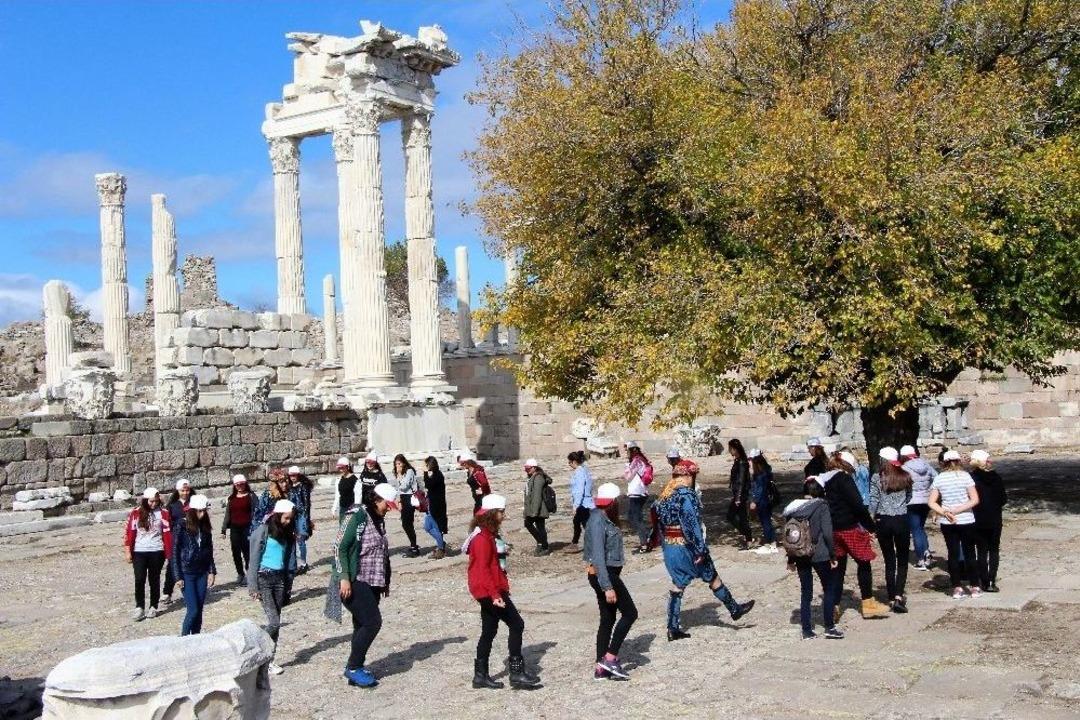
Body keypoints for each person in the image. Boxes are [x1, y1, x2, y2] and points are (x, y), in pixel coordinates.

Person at [655, 460, 754, 641]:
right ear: (688, 475)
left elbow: (658, 524)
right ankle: (734, 609)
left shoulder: (664, 495)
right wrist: (700, 549)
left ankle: (673, 627)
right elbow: (691, 524)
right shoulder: (686, 495)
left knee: (679, 584)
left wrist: (665, 543)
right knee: (711, 576)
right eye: (693, 476)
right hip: (688, 548)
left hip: (671, 547)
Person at [464, 494, 542, 690]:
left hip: (488, 590)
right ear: (491, 514)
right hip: (489, 591)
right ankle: (516, 673)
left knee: (489, 630)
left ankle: (480, 676)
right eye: (501, 512)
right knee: (517, 624)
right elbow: (483, 569)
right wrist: (496, 595)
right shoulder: (481, 539)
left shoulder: (486, 534)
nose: (504, 515)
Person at [328, 482, 398, 689]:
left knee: (361, 624)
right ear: (377, 499)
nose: (388, 508)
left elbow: (381, 551)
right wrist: (344, 577)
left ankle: (356, 667)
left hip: (373, 581)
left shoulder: (378, 518)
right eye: (387, 504)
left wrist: (385, 580)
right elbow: (340, 547)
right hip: (354, 578)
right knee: (372, 622)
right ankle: (353, 666)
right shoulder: (357, 516)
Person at [824, 451, 891, 620]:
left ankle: (834, 605)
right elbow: (858, 505)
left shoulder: (825, 479)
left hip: (833, 529)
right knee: (864, 562)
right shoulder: (844, 479)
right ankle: (868, 604)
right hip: (849, 527)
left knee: (838, 568)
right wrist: (870, 526)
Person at [585, 483, 638, 680]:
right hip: (604, 574)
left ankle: (601, 668)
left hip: (604, 573)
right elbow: (598, 556)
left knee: (607, 619)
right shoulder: (598, 521)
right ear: (613, 502)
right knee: (630, 613)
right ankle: (610, 657)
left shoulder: (603, 517)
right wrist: (607, 586)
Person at [782, 479, 842, 639]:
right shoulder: (821, 506)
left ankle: (807, 630)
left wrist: (790, 558)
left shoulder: (793, 507)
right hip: (820, 553)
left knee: (806, 591)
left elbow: (791, 536)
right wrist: (833, 554)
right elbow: (828, 533)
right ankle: (829, 626)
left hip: (801, 553)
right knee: (829, 588)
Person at [248, 499, 298, 676]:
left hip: (279, 579)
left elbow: (288, 561)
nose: (288, 521)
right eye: (285, 518)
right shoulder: (262, 531)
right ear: (277, 516)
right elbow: (253, 559)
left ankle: (269, 660)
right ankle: (256, 643)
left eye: (290, 518)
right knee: (274, 621)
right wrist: (253, 586)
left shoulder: (286, 533)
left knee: (276, 623)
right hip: (264, 578)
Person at [929, 450, 982, 599]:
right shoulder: (966, 477)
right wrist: (957, 510)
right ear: (959, 461)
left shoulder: (939, 478)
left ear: (944, 463)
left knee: (952, 553)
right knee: (970, 553)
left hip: (947, 521)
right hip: (966, 519)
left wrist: (945, 512)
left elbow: (931, 502)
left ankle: (957, 587)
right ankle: (974, 586)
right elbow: (975, 499)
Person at [869, 447, 913, 613]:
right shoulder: (905, 476)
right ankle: (899, 596)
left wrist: (870, 520)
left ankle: (890, 595)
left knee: (889, 560)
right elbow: (909, 497)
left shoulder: (877, 478)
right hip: (901, 519)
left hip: (883, 520)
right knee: (902, 559)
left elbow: (873, 501)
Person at [124, 487, 173, 622]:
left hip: (157, 550)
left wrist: (169, 553)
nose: (154, 504)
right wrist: (128, 550)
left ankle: (153, 605)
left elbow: (167, 534)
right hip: (139, 551)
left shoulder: (163, 513)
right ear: (145, 500)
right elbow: (130, 532)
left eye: (156, 501)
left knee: (154, 579)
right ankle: (139, 606)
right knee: (139, 579)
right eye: (151, 501)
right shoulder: (135, 513)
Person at [171, 494, 217, 636]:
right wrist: (178, 576)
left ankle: (196, 637)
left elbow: (208, 550)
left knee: (200, 608)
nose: (202, 514)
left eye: (204, 511)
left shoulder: (205, 527)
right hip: (187, 573)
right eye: (199, 511)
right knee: (193, 609)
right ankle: (183, 638)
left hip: (201, 571)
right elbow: (175, 552)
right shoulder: (181, 525)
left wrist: (211, 571)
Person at [969, 449, 1006, 592]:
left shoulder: (971, 478)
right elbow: (1003, 499)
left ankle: (983, 581)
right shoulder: (996, 477)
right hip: (995, 518)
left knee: (982, 550)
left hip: (978, 518)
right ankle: (991, 580)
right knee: (994, 550)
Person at [902, 444, 937, 570]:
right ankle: (926, 551)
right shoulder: (925, 464)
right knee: (921, 528)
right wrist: (930, 490)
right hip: (926, 500)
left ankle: (921, 558)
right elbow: (936, 477)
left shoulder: (904, 468)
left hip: (911, 501)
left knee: (915, 529)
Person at [161, 478, 192, 605]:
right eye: (182, 490)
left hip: (191, 538)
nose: (185, 493)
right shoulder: (172, 506)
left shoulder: (193, 503)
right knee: (172, 564)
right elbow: (169, 523)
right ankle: (167, 592)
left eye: (187, 490)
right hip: (177, 538)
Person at [221, 474, 254, 583]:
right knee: (236, 552)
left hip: (247, 527)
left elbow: (256, 512)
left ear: (245, 484)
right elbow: (227, 514)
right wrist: (223, 529)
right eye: (237, 484)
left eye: (241, 484)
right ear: (234, 486)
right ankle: (240, 573)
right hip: (235, 528)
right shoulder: (231, 498)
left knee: (247, 552)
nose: (240, 486)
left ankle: (250, 573)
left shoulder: (251, 496)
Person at [623, 442, 654, 554]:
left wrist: (627, 467)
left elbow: (627, 476)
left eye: (627, 450)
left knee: (635, 518)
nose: (626, 453)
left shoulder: (636, 461)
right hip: (640, 492)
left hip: (637, 492)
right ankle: (647, 539)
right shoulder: (641, 459)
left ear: (631, 450)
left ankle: (645, 543)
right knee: (634, 517)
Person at [391, 454, 421, 558]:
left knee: (408, 523)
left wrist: (399, 475)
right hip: (403, 498)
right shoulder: (399, 473)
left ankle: (414, 548)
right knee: (405, 523)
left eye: (399, 463)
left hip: (409, 498)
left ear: (403, 463)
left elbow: (404, 486)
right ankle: (413, 545)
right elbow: (399, 488)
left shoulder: (409, 471)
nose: (397, 466)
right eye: (396, 464)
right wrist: (398, 500)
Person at [749, 449, 779, 553]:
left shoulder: (760, 474)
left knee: (765, 521)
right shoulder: (767, 470)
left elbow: (759, 489)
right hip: (767, 499)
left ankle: (769, 542)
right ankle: (772, 542)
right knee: (767, 521)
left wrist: (754, 501)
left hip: (763, 500)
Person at [726, 439, 753, 550]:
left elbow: (741, 480)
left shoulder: (742, 462)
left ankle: (748, 536)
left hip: (741, 494)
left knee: (732, 516)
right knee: (741, 517)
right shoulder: (738, 460)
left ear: (735, 449)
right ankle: (748, 538)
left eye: (730, 448)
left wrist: (738, 497)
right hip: (739, 493)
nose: (729, 451)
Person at [522, 459, 553, 556]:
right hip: (533, 507)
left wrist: (534, 511)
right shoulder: (533, 477)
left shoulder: (538, 478)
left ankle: (544, 546)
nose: (526, 470)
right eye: (526, 469)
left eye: (528, 468)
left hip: (539, 508)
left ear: (534, 468)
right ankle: (542, 544)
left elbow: (537, 496)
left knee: (535, 525)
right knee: (538, 526)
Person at [567, 450, 596, 552]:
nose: (569, 465)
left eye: (569, 462)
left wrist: (576, 505)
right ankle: (575, 543)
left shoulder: (579, 472)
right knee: (577, 522)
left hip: (583, 503)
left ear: (574, 462)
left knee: (585, 524)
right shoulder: (584, 470)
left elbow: (579, 490)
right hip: (585, 502)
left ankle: (593, 545)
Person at [287, 466, 314, 573]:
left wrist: (307, 519)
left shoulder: (303, 486)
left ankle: (303, 563)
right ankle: (293, 563)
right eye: (291, 475)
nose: (292, 477)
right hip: (291, 515)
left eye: (294, 475)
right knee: (292, 539)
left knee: (301, 539)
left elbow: (307, 503)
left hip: (301, 515)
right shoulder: (289, 487)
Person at [249, 469, 289, 537]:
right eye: (281, 482)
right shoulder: (267, 496)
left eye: (286, 481)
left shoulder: (291, 495)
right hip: (271, 532)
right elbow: (259, 515)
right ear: (275, 484)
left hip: (287, 532)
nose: (285, 484)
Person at [423, 456, 449, 559]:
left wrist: (425, 473)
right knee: (428, 527)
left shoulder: (438, 475)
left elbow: (428, 485)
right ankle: (441, 544)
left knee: (434, 527)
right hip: (432, 505)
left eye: (426, 465)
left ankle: (441, 548)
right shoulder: (435, 474)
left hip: (436, 507)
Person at [336, 457, 358, 521]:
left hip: (352, 508)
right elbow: (338, 494)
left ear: (348, 467)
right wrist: (335, 507)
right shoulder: (340, 479)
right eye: (339, 468)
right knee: (342, 528)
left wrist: (356, 509)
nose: (341, 470)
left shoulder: (355, 480)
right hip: (342, 508)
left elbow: (358, 495)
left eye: (342, 468)